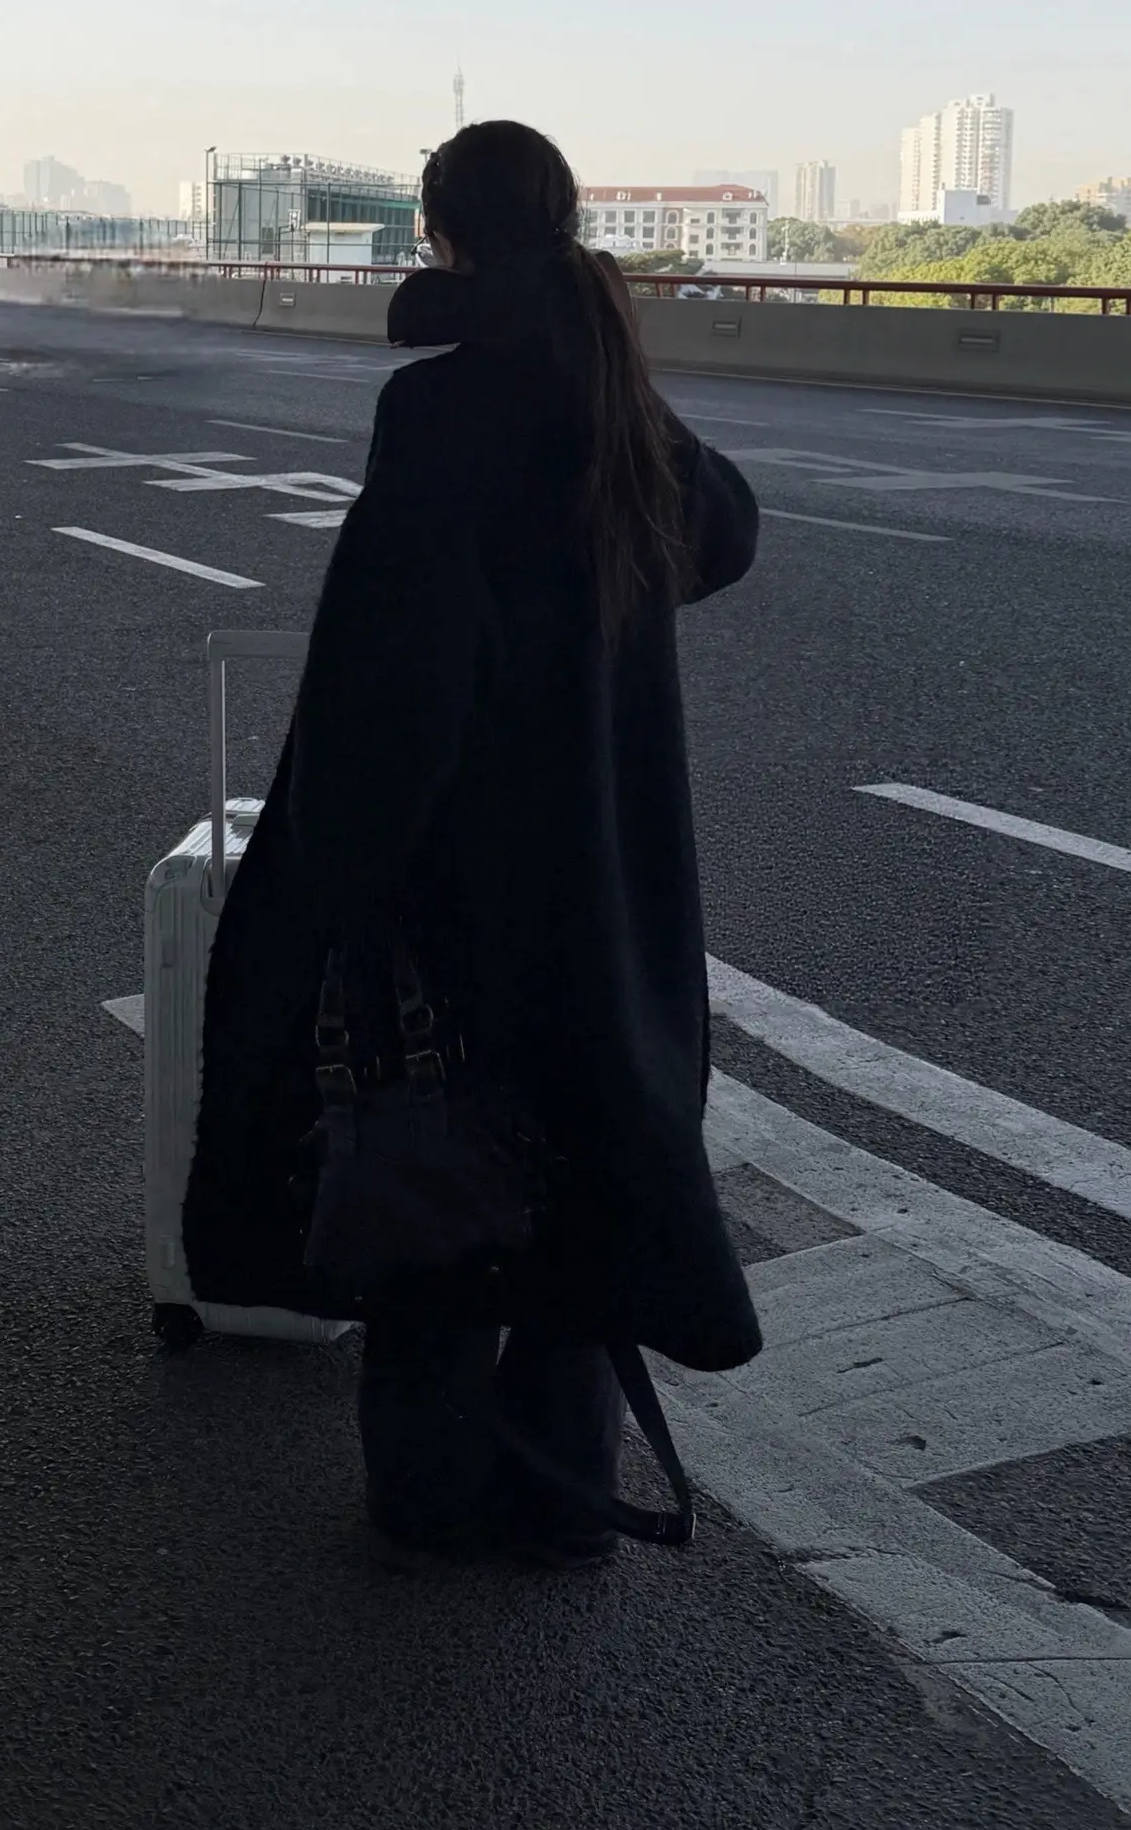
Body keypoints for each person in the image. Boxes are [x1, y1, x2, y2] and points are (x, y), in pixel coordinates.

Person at [185, 118, 762, 1565]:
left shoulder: (442, 412)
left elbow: (395, 688)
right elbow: (728, 533)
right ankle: (565, 1512)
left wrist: (337, 883)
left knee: (440, 1199)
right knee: (579, 1202)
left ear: (438, 234)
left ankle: (432, 1503)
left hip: (464, 892)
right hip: (607, 892)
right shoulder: (608, 396)